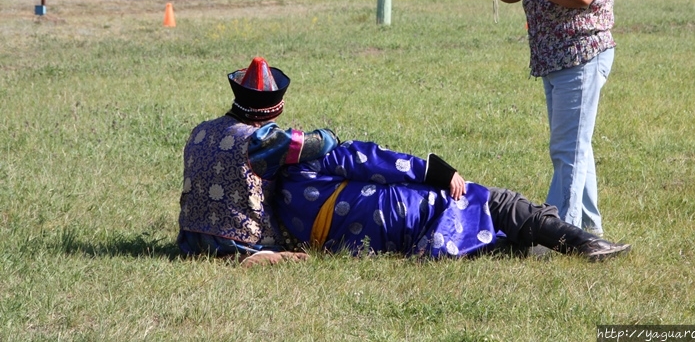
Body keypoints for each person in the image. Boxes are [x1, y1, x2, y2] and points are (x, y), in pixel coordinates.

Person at [177, 57, 630, 267]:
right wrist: (440, 171)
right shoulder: (276, 148)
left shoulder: (200, 132)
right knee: (490, 203)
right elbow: (358, 154)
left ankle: (546, 244)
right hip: (259, 241)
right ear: (274, 108)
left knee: (485, 231)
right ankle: (581, 243)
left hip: (199, 240)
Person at [486, 0, 615, 237]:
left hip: (582, 57)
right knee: (575, 145)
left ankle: (558, 230)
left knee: (565, 147)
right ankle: (587, 228)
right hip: (554, 61)